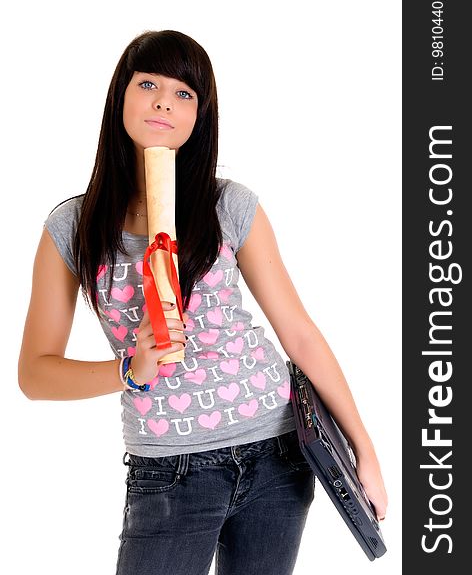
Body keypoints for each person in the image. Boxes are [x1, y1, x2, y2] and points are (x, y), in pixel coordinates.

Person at [18, 30, 387, 575]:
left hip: (278, 452)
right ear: (120, 96)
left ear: (200, 117)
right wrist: (130, 369)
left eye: (184, 93)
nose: (164, 100)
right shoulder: (70, 228)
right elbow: (35, 375)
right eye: (148, 84)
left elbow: (299, 333)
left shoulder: (230, 206)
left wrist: (365, 450)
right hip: (169, 472)